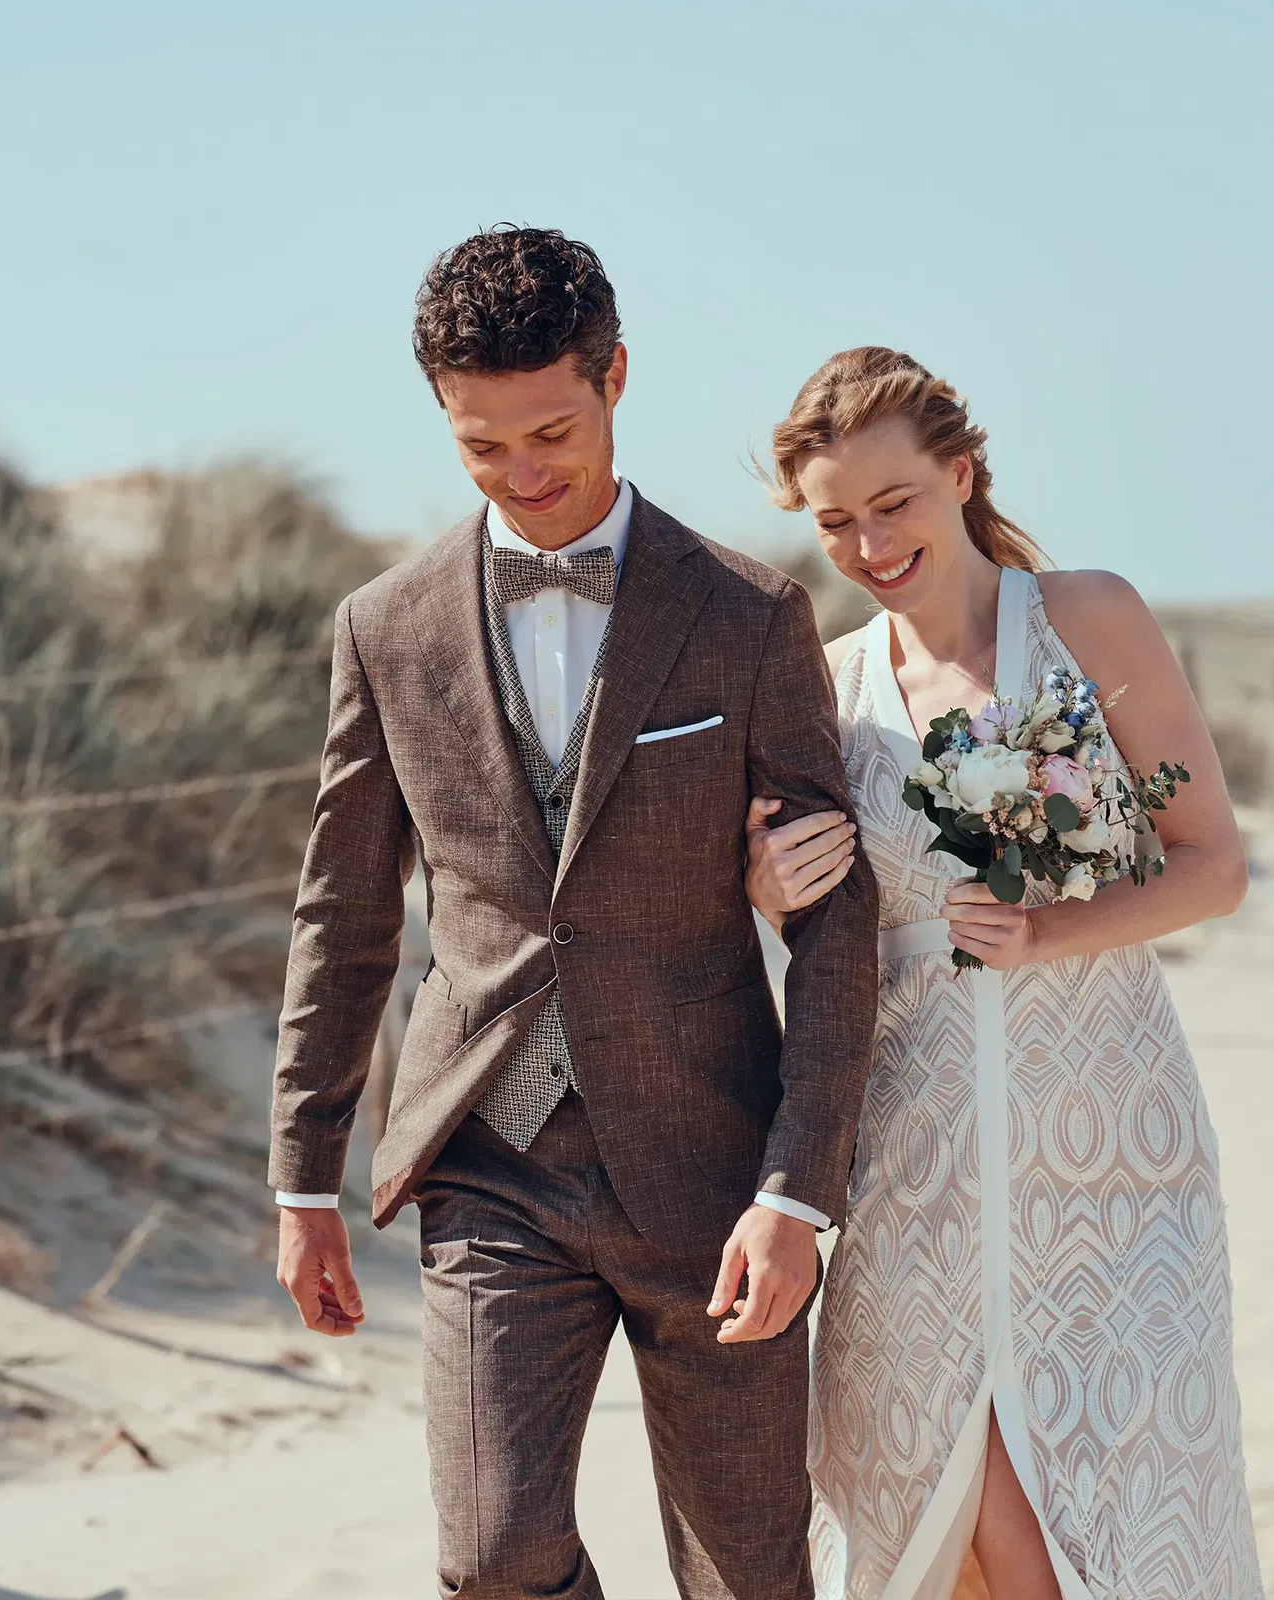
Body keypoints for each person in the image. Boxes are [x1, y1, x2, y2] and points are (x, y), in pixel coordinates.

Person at [267, 228, 880, 1599]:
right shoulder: (386, 626)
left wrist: (799, 1190)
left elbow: (838, 920)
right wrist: (303, 1172)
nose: (523, 472)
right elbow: (345, 912)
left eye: (551, 429)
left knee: (748, 1576)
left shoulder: (747, 613)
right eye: (481, 445)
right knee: (492, 1556)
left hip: (715, 1173)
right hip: (491, 1161)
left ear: (616, 378)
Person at [745, 347, 1264, 1600]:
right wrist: (764, 892)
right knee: (931, 1512)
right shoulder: (828, 685)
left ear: (960, 474)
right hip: (910, 1156)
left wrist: (1049, 933)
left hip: (1105, 1157)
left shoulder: (1088, 621)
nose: (869, 545)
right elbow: (816, 947)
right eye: (835, 523)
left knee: (1084, 1517)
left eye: (894, 503)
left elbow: (1211, 867)